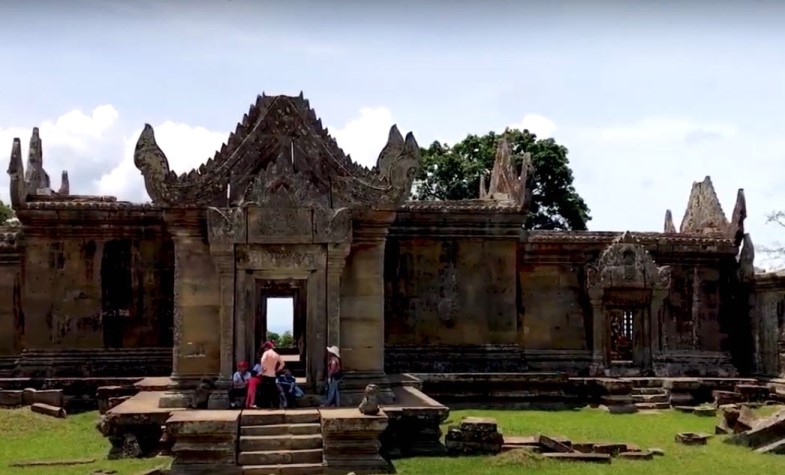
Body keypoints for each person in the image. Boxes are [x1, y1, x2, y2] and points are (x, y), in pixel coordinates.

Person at [259, 340, 285, 409]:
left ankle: (265, 404)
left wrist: (264, 368)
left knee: (264, 390)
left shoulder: (266, 353)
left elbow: (262, 360)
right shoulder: (276, 354)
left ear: (267, 347)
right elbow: (282, 364)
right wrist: (278, 369)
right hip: (273, 374)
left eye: (265, 347)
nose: (264, 348)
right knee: (273, 390)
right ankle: (275, 404)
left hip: (265, 374)